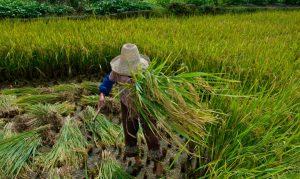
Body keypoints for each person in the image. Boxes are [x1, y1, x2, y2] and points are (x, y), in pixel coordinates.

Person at [98, 43, 163, 176]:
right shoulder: (117, 72)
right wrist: (102, 94)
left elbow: (156, 87)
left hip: (145, 106)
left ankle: (158, 163)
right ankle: (137, 161)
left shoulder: (145, 71)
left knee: (151, 133)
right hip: (127, 105)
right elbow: (107, 81)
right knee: (129, 131)